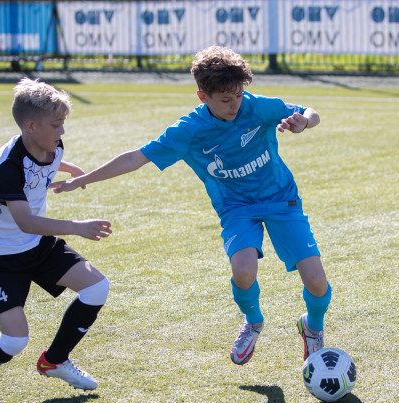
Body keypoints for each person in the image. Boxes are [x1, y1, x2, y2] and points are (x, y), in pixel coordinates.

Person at [54, 46, 331, 366]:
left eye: (238, 95)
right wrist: (83, 179)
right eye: (225, 100)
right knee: (243, 271)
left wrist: (303, 122)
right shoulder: (189, 131)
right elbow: (135, 158)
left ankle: (312, 328)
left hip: (281, 199)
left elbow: (312, 112)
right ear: (203, 97)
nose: (234, 105)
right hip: (236, 208)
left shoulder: (258, 107)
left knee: (316, 280)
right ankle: (253, 321)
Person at [0, 77, 113, 399]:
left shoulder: (52, 145)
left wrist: (71, 171)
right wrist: (77, 226)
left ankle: (55, 360)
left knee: (97, 287)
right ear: (31, 126)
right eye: (56, 125)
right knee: (16, 341)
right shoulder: (9, 167)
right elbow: (27, 222)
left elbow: (49, 162)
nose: (62, 132)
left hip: (35, 246)